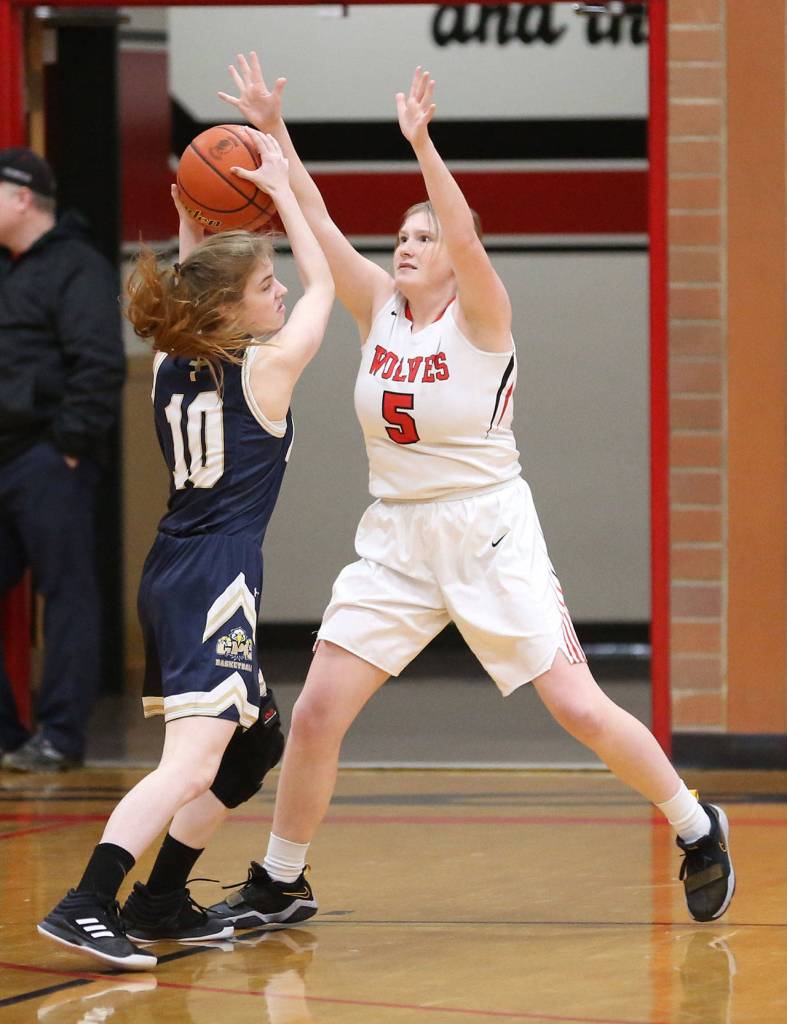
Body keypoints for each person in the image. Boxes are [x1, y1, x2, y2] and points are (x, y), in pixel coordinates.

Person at [163, 55, 734, 932]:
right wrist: (273, 135)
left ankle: (695, 827)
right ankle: (282, 880)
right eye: (403, 233)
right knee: (315, 711)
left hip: (488, 532)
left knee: (577, 707)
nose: (409, 243)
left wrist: (422, 145)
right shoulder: (376, 308)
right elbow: (309, 219)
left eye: (422, 237)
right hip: (395, 534)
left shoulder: (483, 315)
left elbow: (465, 233)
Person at [37, 129, 335, 970]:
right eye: (263, 288)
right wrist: (283, 190)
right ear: (233, 308)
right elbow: (324, 286)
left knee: (253, 745)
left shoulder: (175, 351)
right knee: (193, 759)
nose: (278, 296)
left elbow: (200, 282)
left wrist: (189, 215)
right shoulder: (265, 370)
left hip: (174, 566)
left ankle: (161, 898)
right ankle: (88, 902)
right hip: (214, 577)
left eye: (273, 284)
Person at [0, 148, 125, 771]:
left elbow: (99, 364)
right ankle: (7, 735)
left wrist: (70, 449)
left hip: (48, 458)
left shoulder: (78, 266)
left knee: (67, 594)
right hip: (5, 456)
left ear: (23, 197)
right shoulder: (7, 268)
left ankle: (60, 737)